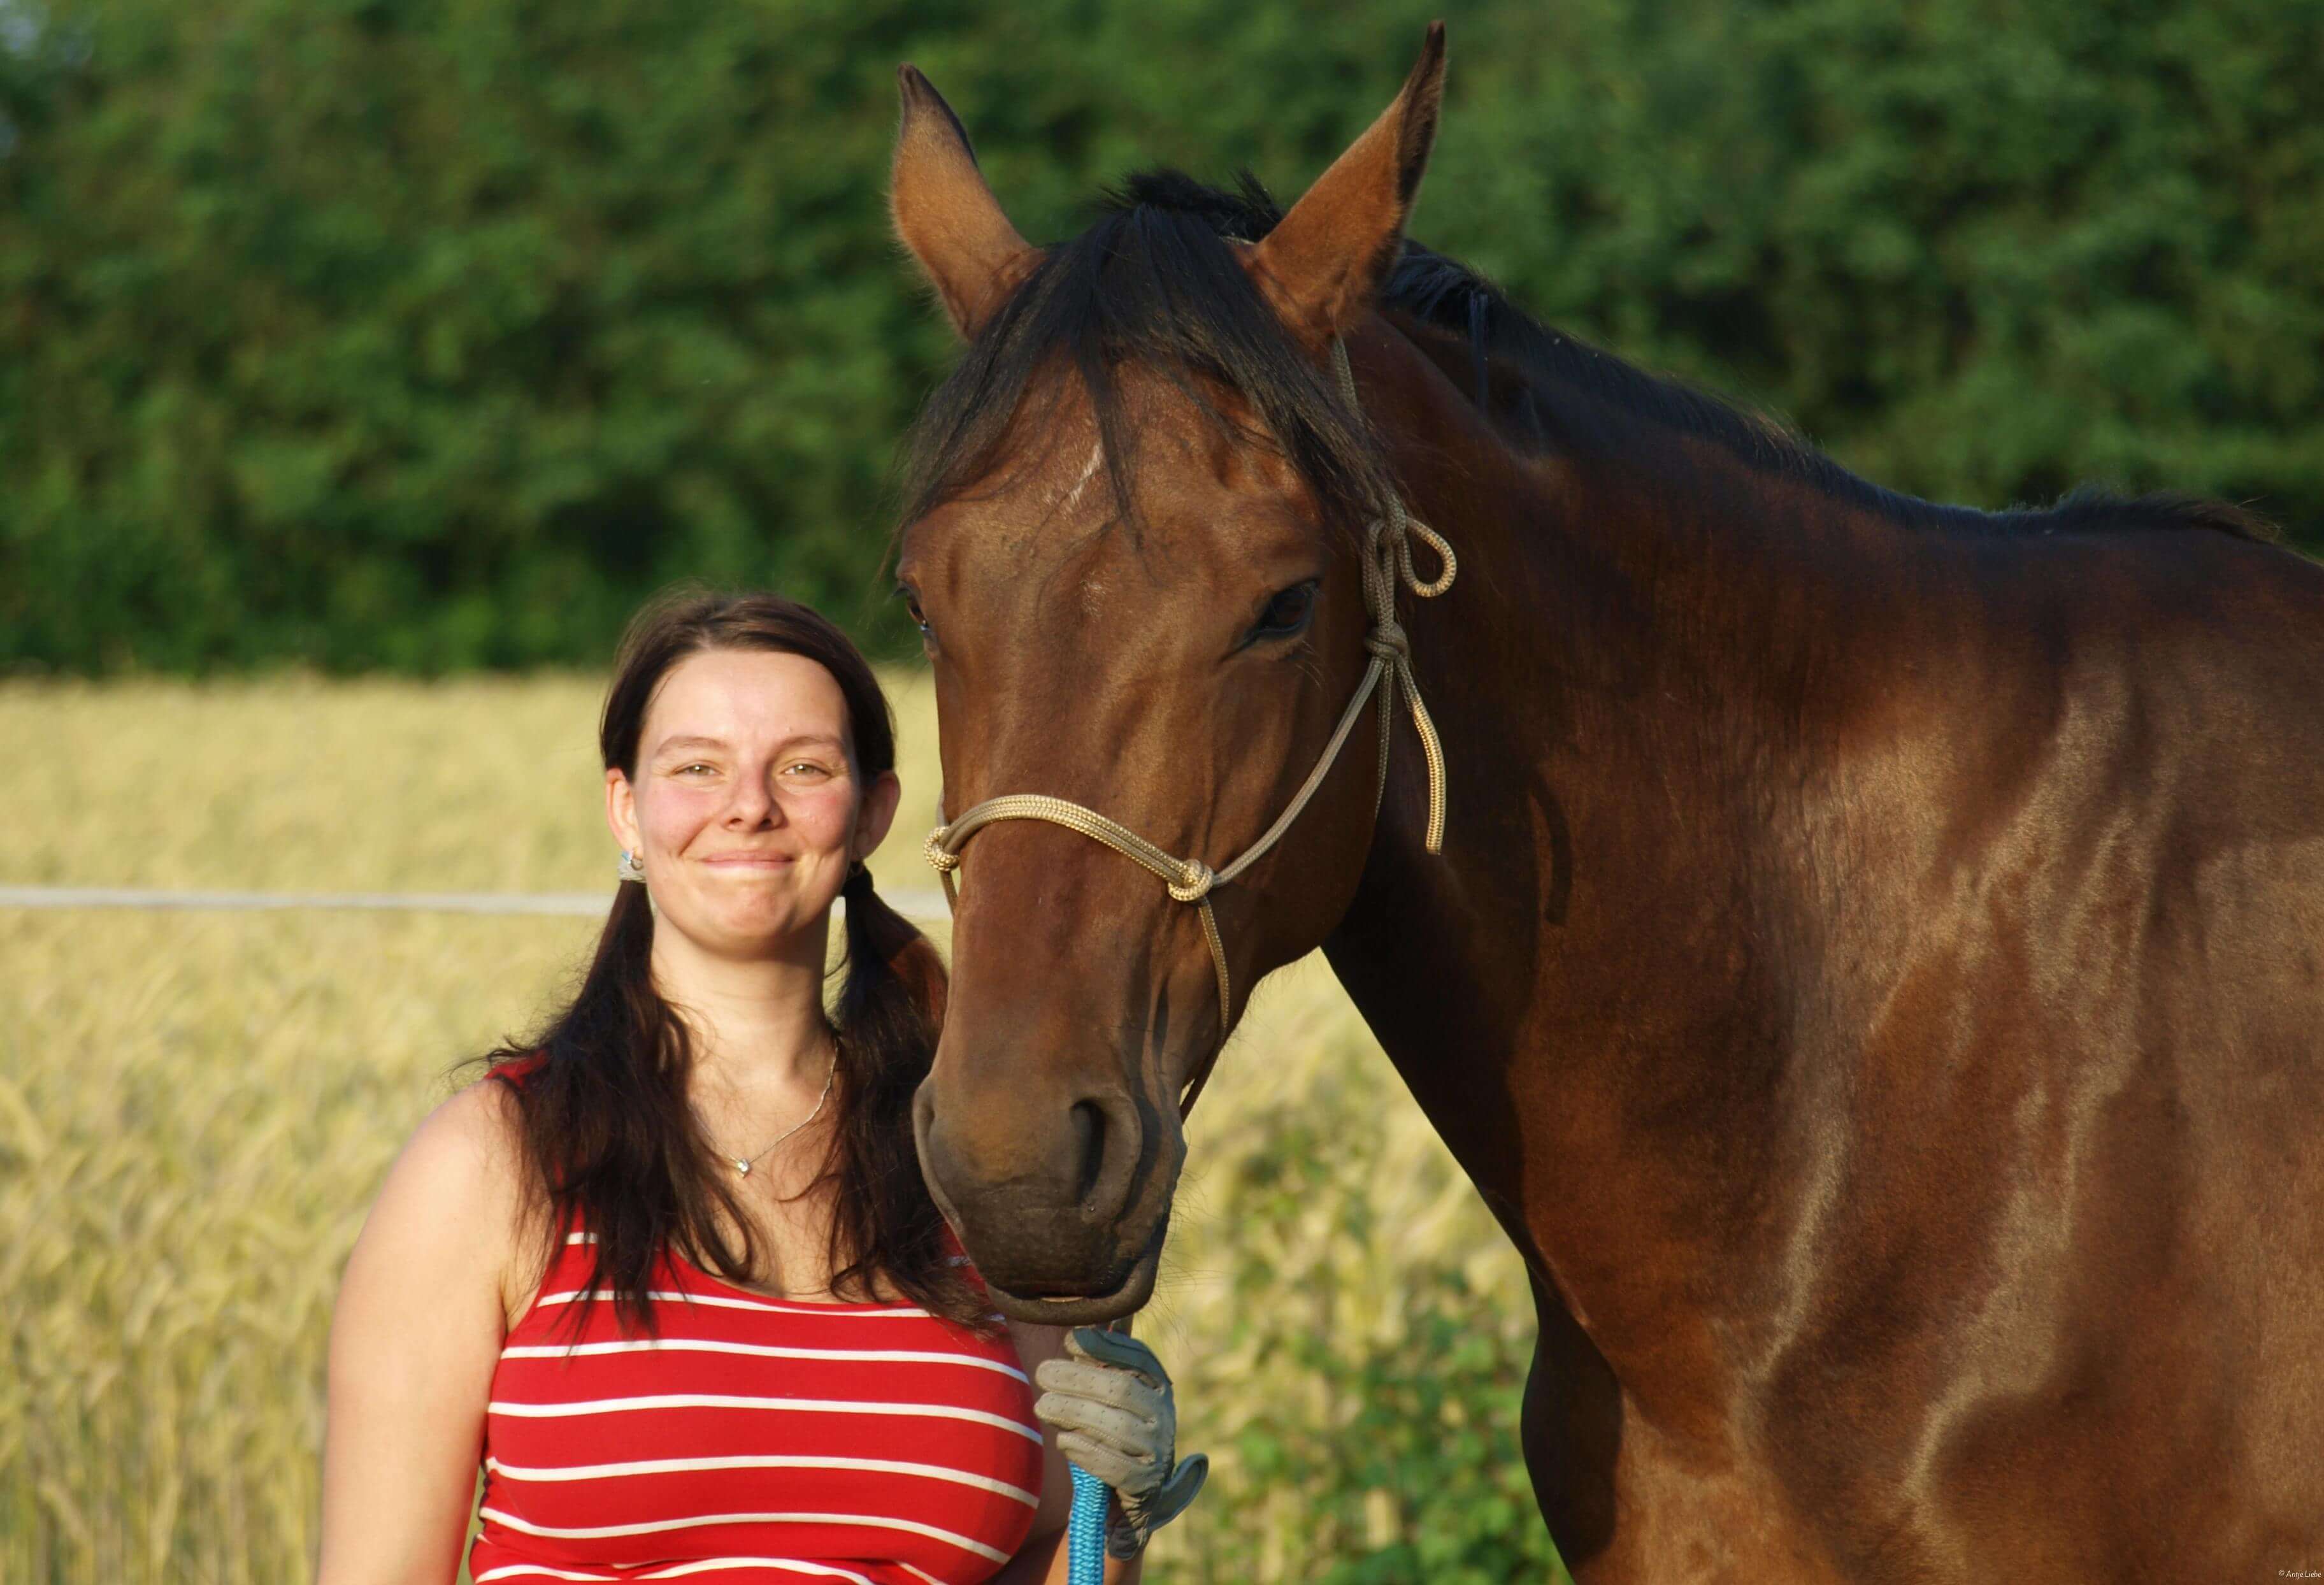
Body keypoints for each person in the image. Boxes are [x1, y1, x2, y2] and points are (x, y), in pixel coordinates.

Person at [317, 589, 1205, 1585]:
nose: (749, 805)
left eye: (804, 768)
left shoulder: (974, 1160)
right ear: (627, 807)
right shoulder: (495, 1160)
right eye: (697, 768)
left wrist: (1113, 1525)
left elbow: (1048, 1553)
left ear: (872, 811)